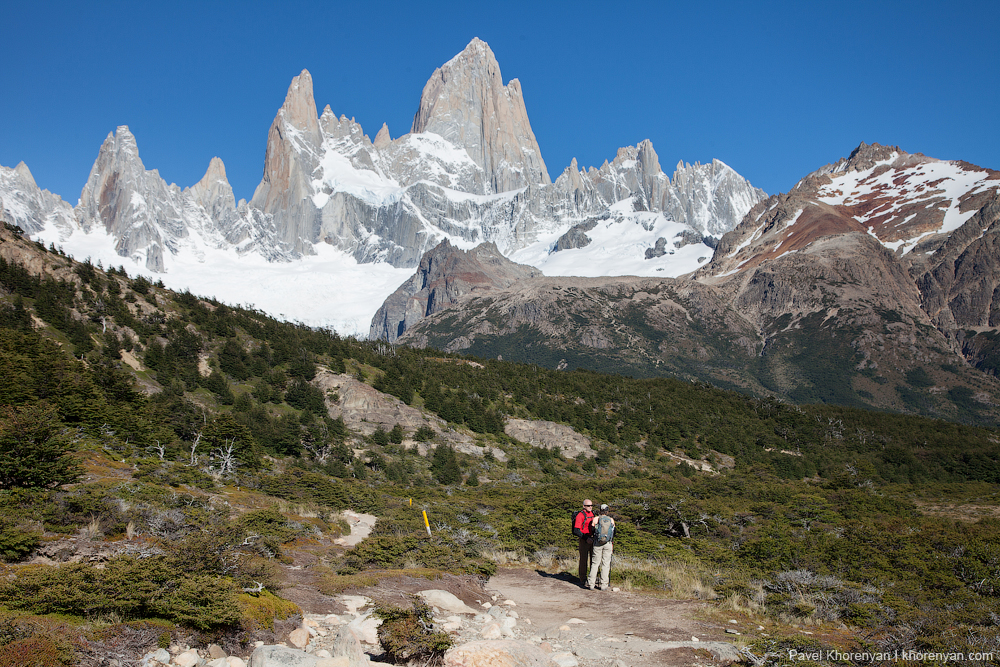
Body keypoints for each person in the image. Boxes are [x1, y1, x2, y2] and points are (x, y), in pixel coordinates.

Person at [587, 504, 616, 591]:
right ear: (607, 511)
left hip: (597, 543)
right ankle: (604, 585)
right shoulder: (611, 520)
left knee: (595, 563)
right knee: (606, 563)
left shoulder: (596, 519)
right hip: (608, 543)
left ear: (600, 510)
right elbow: (614, 532)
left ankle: (591, 584)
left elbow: (592, 530)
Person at [572, 499, 595, 586]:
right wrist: (586, 538)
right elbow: (576, 530)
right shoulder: (580, 515)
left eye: (591, 505)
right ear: (584, 506)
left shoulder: (592, 514)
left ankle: (592, 577)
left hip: (592, 538)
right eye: (588, 505)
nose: (590, 507)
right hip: (584, 539)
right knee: (583, 560)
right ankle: (583, 578)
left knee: (594, 559)